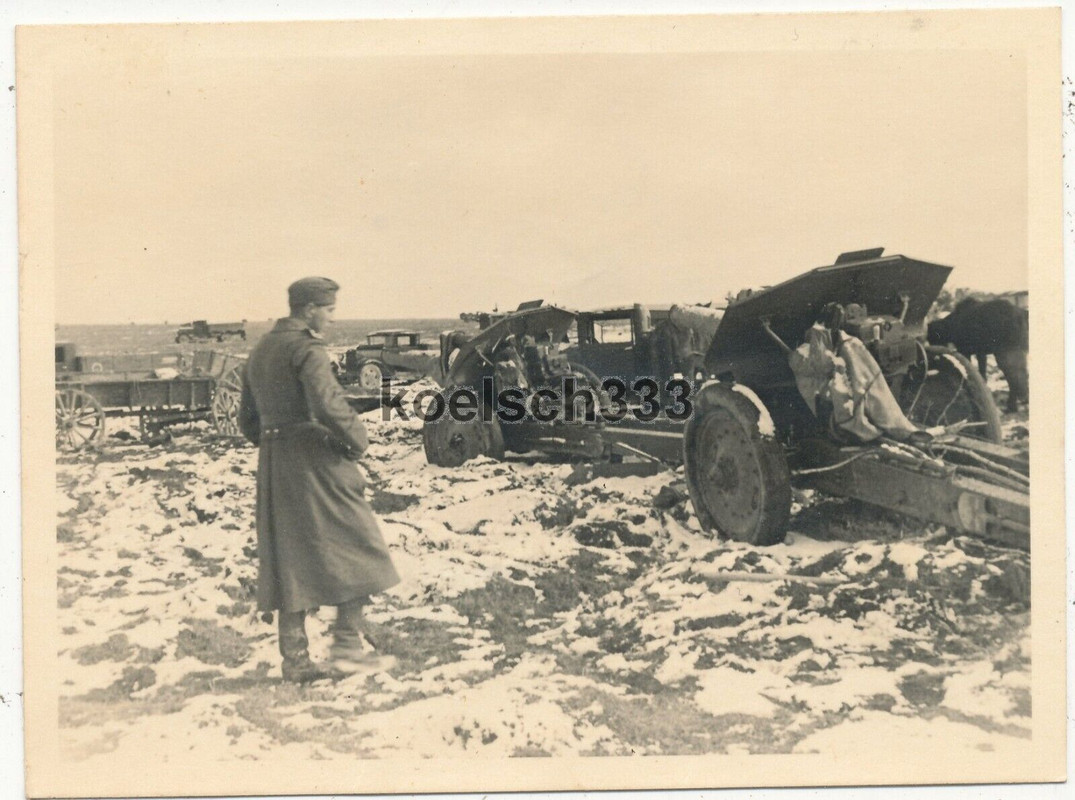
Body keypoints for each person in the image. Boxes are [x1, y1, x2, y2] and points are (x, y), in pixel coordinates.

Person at [239, 276, 400, 682]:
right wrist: (357, 439)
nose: (331, 318)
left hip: (275, 463)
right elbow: (328, 404)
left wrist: (276, 440)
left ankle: (295, 662)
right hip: (314, 460)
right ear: (309, 308)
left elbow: (247, 421)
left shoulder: (259, 351)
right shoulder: (306, 349)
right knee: (360, 544)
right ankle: (347, 647)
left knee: (287, 558)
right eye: (328, 310)